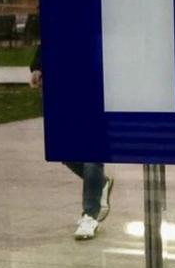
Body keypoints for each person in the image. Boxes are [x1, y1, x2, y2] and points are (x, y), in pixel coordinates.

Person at [29, 43, 113, 239]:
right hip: (65, 86)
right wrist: (38, 66)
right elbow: (53, 35)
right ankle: (100, 183)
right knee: (66, 150)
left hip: (95, 84)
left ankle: (90, 215)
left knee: (92, 154)